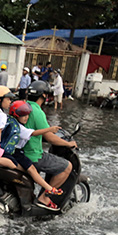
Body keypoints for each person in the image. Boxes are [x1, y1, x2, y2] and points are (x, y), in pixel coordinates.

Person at [0, 88, 62, 206]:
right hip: (10, 152)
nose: (26, 118)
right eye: (8, 99)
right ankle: (49, 188)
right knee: (31, 169)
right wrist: (50, 130)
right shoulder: (7, 120)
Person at [24, 80, 78, 210]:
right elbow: (49, 136)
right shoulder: (37, 111)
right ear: (43, 96)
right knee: (66, 166)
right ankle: (45, 198)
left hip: (18, 152)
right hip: (33, 155)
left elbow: (32, 132)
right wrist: (68, 144)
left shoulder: (21, 106)